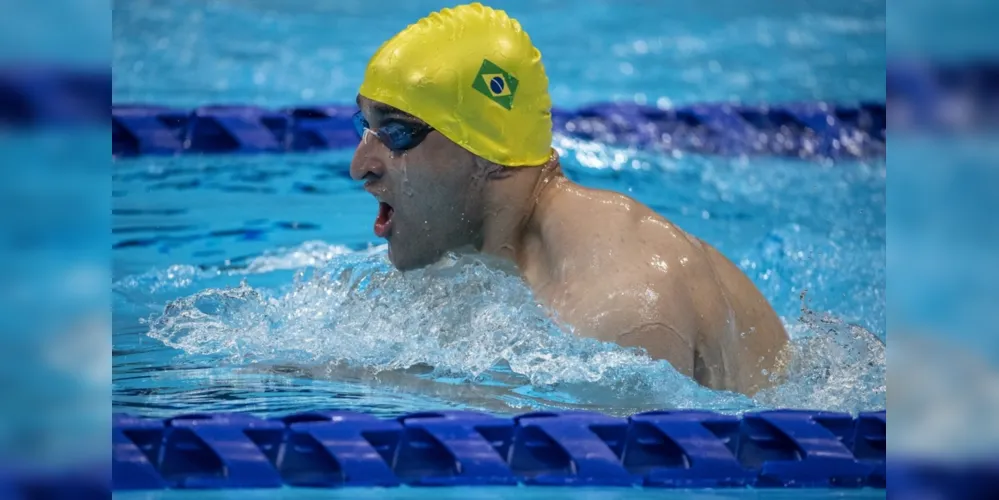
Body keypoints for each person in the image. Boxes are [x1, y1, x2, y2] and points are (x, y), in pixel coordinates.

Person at [349, 2, 788, 395]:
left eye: (397, 132)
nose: (359, 165)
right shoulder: (472, 255)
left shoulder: (625, 312)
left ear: (489, 151)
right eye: (364, 126)